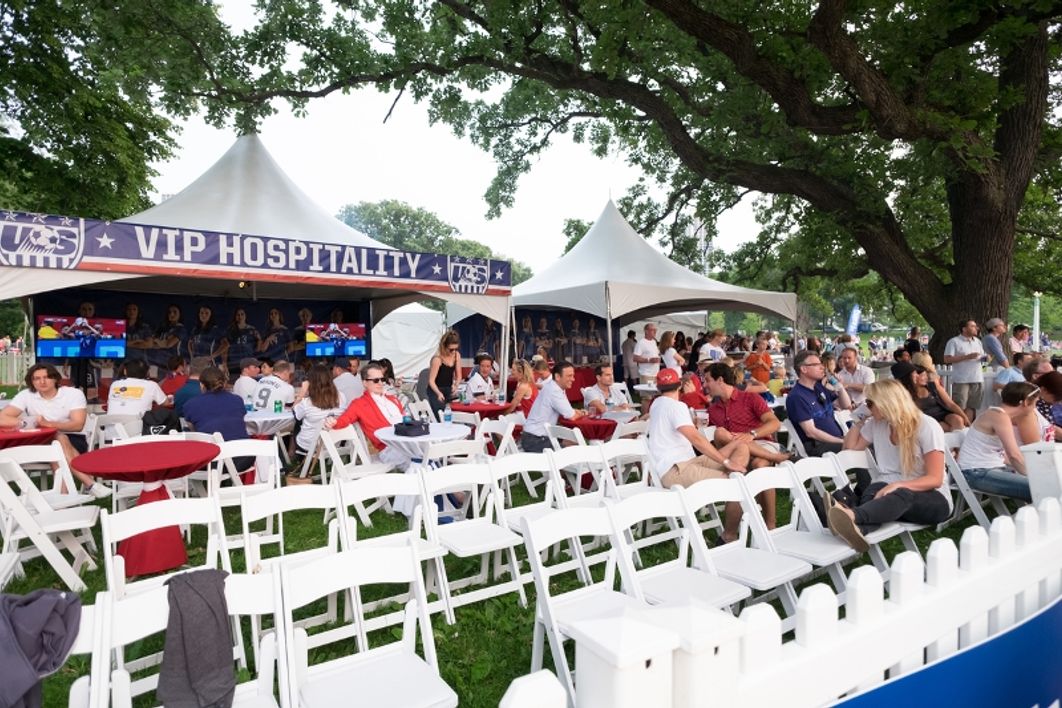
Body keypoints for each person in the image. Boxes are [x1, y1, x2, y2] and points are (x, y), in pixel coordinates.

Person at [829, 380, 952, 551]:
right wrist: (858, 420)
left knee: (900, 494)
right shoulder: (876, 424)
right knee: (873, 490)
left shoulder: (926, 425)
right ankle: (858, 529)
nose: (867, 406)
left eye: (870, 403)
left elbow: (935, 479)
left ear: (887, 403)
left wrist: (899, 484)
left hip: (932, 497)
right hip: (887, 493)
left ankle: (850, 515)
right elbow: (849, 450)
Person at [647, 368, 750, 542]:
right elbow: (695, 439)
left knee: (740, 446)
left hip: (687, 462)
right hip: (675, 470)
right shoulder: (677, 406)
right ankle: (728, 536)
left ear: (658, 388)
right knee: (737, 484)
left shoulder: (656, 404)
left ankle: (733, 477)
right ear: (679, 385)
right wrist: (725, 461)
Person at [0, 364, 108, 497]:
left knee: (58, 441)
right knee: (58, 440)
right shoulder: (27, 395)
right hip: (40, 440)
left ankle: (63, 496)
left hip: (74, 439)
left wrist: (48, 424)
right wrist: (24, 422)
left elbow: (77, 425)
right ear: (32, 381)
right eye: (37, 378)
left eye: (46, 377)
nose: (42, 382)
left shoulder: (73, 394)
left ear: (56, 379)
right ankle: (88, 482)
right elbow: (2, 418)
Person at [957, 381, 1035, 503]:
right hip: (976, 473)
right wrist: (1035, 475)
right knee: (1039, 488)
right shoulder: (999, 417)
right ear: (1025, 402)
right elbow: (1014, 455)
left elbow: (1005, 456)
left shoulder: (998, 415)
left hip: (986, 470)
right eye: (1035, 403)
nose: (1035, 407)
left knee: (1045, 485)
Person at [327, 362, 408, 469]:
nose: (380, 383)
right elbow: (344, 419)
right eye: (375, 380)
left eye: (382, 379)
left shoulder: (393, 399)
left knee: (429, 452)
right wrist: (333, 422)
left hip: (407, 441)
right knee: (420, 459)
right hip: (389, 448)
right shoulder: (359, 404)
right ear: (365, 383)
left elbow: (406, 419)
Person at [785, 349, 851, 455]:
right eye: (816, 364)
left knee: (867, 444)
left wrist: (840, 387)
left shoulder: (819, 387)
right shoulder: (797, 397)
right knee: (860, 449)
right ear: (804, 369)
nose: (822, 367)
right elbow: (811, 432)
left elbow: (846, 405)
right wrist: (842, 442)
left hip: (835, 440)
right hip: (818, 445)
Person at [521, 360, 588, 453]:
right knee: (575, 451)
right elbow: (571, 416)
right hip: (535, 439)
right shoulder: (554, 391)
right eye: (569, 376)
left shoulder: (553, 387)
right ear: (557, 376)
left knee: (575, 443)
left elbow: (568, 411)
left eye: (573, 376)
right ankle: (583, 466)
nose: (573, 379)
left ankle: (576, 466)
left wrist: (575, 412)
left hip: (535, 436)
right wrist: (584, 412)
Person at [892, 360, 968, 432]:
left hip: (942, 414)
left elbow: (950, 404)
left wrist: (966, 419)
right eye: (914, 374)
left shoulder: (932, 386)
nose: (917, 375)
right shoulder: (903, 394)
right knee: (940, 427)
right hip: (926, 419)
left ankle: (956, 445)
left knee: (958, 420)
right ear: (907, 378)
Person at [294, 363, 348, 459]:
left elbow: (295, 413)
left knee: (298, 422)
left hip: (309, 445)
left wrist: (302, 393)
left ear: (311, 381)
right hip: (334, 442)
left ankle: (295, 458)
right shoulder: (342, 397)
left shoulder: (307, 402)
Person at [943, 319, 985, 421]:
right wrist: (967, 357)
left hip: (977, 377)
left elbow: (981, 357)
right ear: (964, 329)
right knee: (960, 405)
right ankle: (959, 426)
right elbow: (947, 359)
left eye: (976, 326)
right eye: (972, 326)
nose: (976, 328)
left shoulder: (978, 341)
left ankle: (968, 427)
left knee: (972, 406)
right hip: (962, 379)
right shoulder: (954, 341)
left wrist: (985, 359)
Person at [428, 330, 462, 418]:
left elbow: (459, 376)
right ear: (444, 347)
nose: (453, 351)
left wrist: (456, 385)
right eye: (451, 349)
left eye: (456, 349)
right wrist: (438, 393)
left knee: (450, 415)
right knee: (439, 415)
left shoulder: (456, 355)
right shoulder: (437, 359)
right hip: (436, 389)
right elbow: (431, 381)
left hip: (448, 388)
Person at [150, 303, 187, 373]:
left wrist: (156, 340)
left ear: (180, 314)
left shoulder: (181, 329)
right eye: (169, 312)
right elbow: (152, 344)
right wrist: (160, 343)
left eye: (175, 312)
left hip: (174, 364)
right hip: (158, 362)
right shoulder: (163, 327)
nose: (171, 314)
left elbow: (168, 344)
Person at [225, 308, 260, 377]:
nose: (240, 316)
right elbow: (226, 346)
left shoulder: (252, 329)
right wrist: (225, 363)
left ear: (245, 316)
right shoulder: (230, 329)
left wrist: (256, 349)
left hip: (248, 361)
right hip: (234, 361)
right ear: (235, 317)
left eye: (242, 314)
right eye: (238, 315)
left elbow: (259, 343)